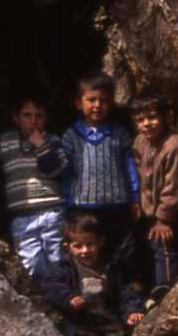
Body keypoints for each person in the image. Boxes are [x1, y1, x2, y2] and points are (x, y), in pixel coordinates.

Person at [0, 94, 66, 273]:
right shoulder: (6, 142)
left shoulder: (53, 141)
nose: (33, 121)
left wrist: (41, 146)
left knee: (56, 261)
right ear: (16, 118)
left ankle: (60, 297)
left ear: (46, 118)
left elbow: (56, 169)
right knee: (31, 265)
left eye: (39, 116)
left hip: (52, 213)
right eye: (27, 115)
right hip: (22, 216)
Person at [59, 71, 140, 250]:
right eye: (92, 100)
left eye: (103, 100)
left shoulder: (119, 134)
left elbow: (130, 168)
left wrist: (135, 197)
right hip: (82, 208)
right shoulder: (71, 137)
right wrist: (66, 203)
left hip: (117, 207)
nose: (98, 105)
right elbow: (66, 172)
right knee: (87, 248)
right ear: (78, 103)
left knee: (121, 249)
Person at [130, 91, 178, 305]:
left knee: (164, 244)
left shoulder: (175, 146)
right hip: (152, 210)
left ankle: (165, 289)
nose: (147, 124)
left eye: (152, 117)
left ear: (166, 117)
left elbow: (175, 186)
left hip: (174, 213)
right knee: (145, 246)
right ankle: (146, 288)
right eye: (140, 120)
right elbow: (140, 175)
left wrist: (164, 219)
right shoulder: (140, 142)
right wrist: (138, 203)